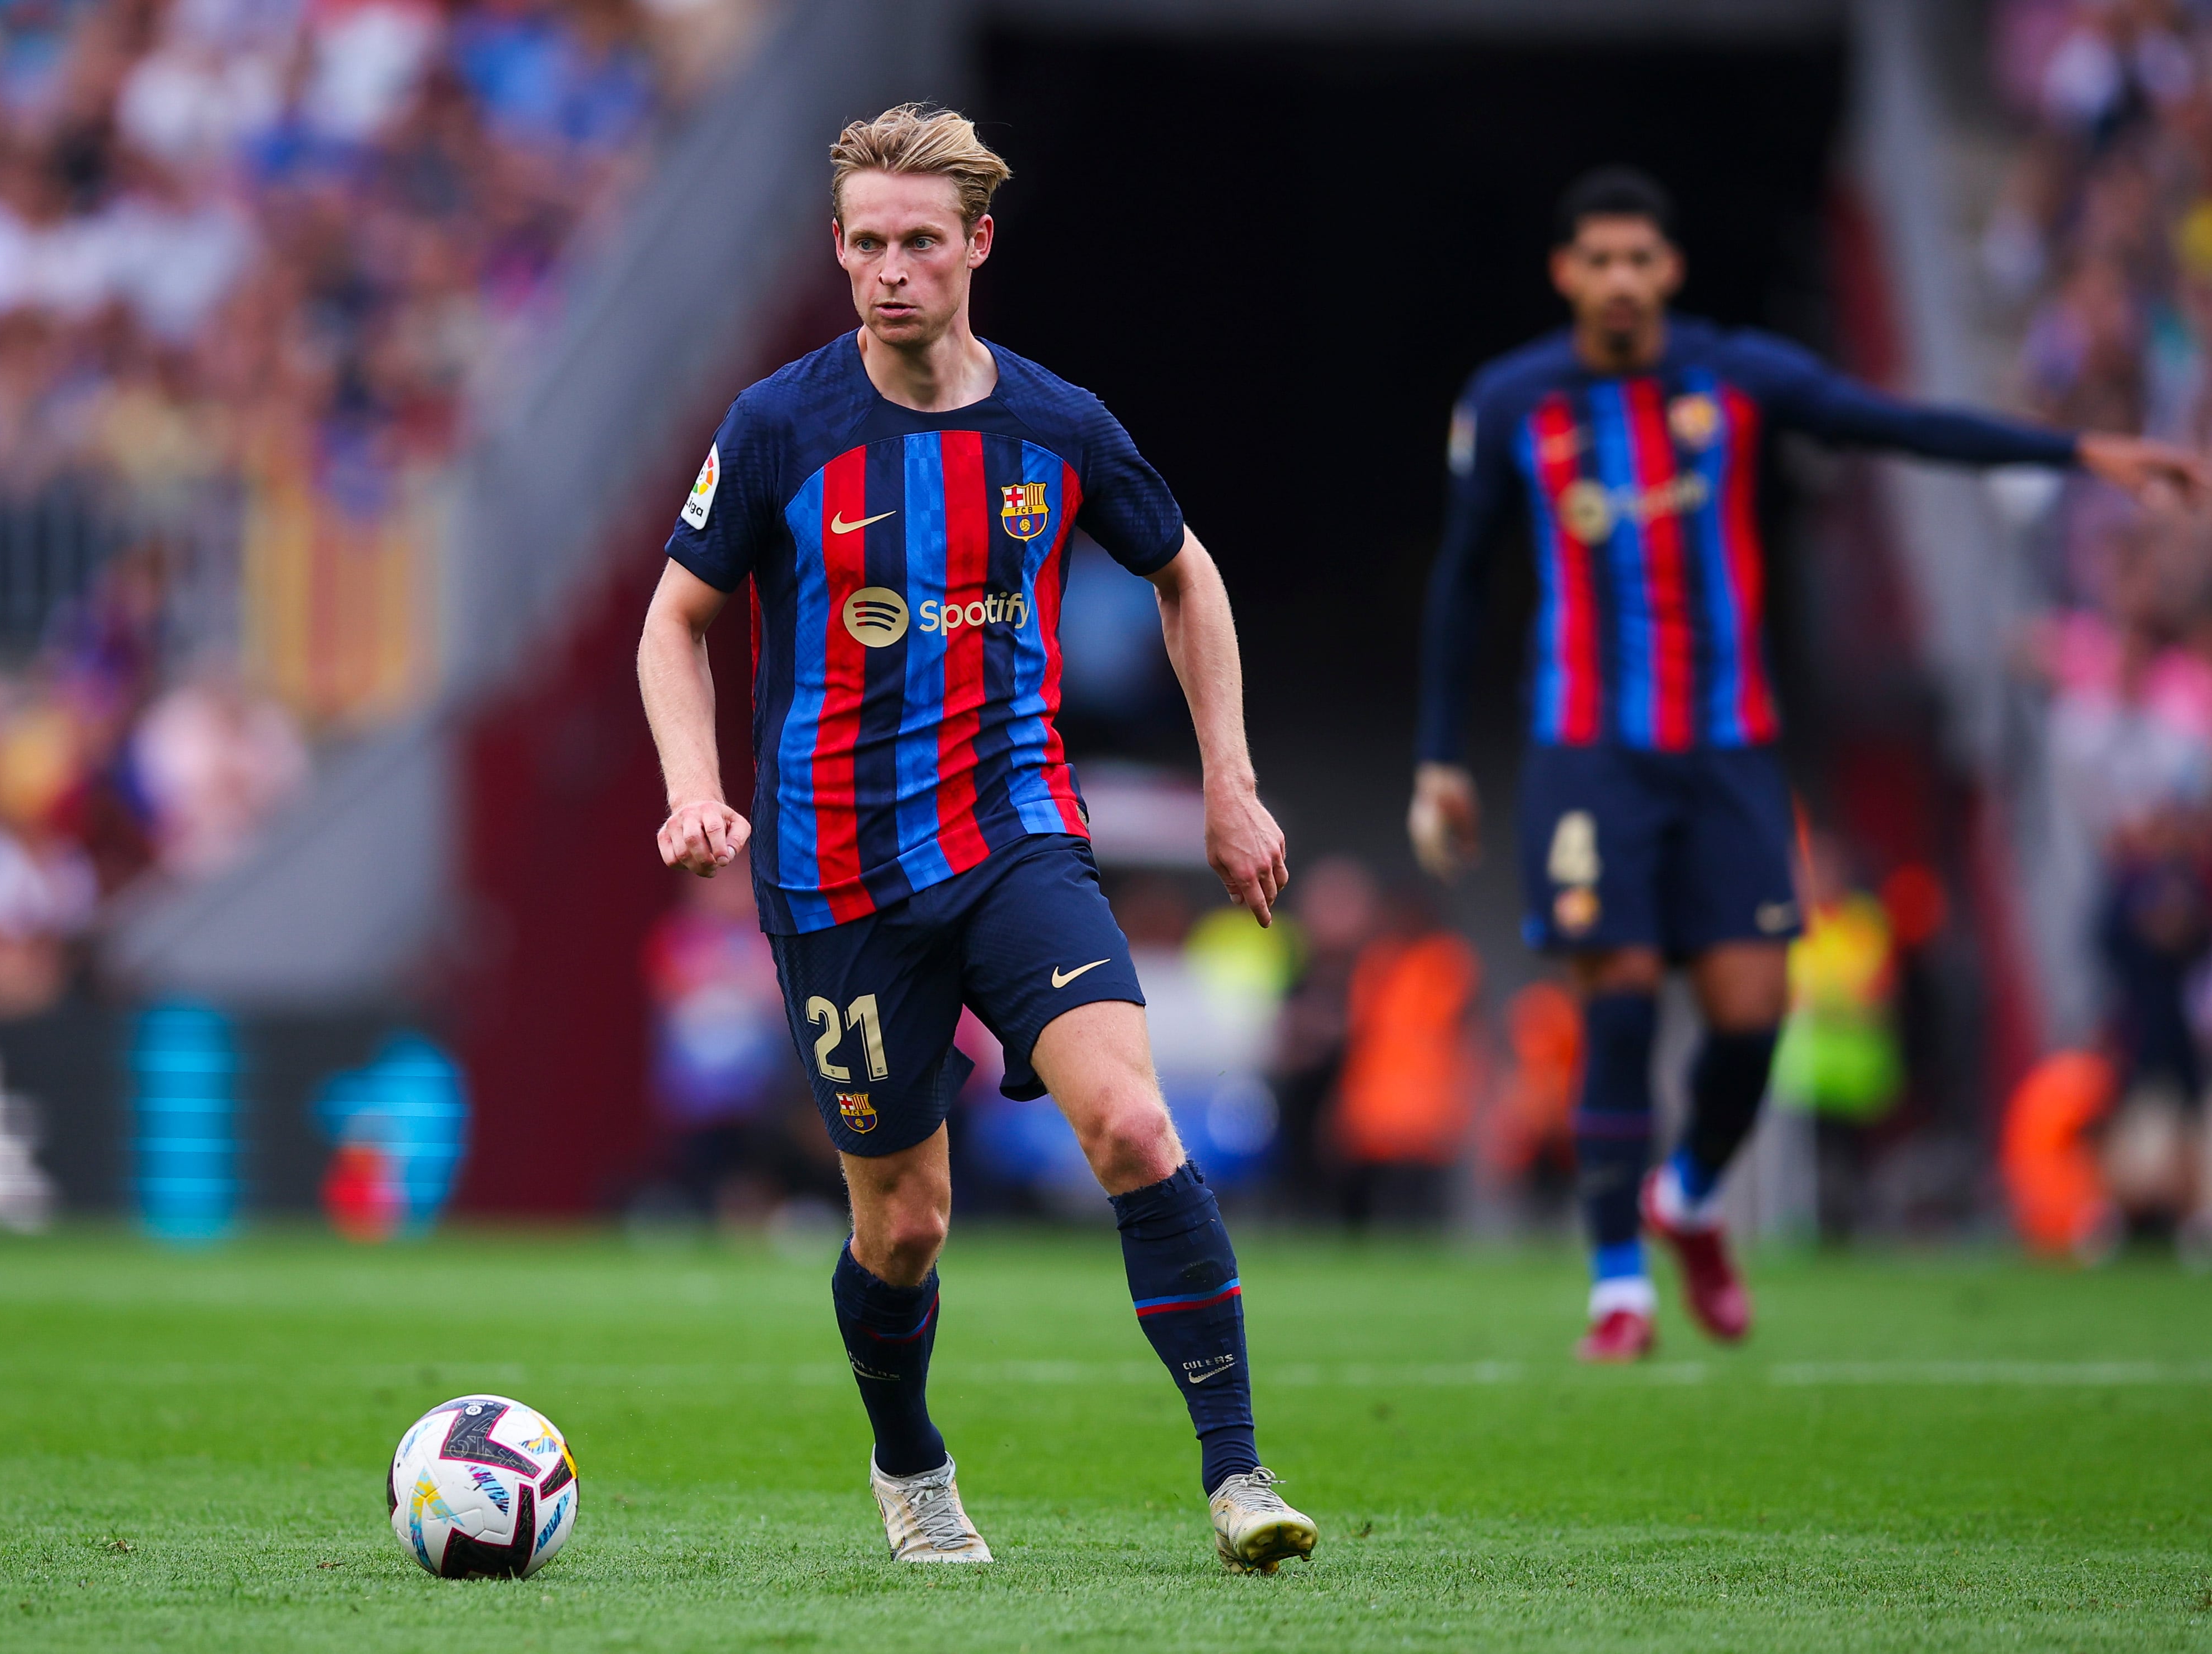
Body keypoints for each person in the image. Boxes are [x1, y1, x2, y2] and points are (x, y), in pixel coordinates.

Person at [634, 105, 1316, 1572]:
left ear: (974, 247)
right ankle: (909, 1463)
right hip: (831, 878)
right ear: (838, 248)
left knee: (1132, 1124)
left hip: (1013, 838)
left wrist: (1229, 782)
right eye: (867, 243)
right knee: (905, 1227)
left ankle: (1239, 1474)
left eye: (919, 244)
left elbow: (1183, 574)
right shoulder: (776, 426)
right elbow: (675, 618)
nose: (891, 270)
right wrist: (694, 784)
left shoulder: (1058, 426)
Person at [1409, 166, 2209, 1361]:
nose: (1621, 280)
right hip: (1586, 750)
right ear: (1564, 273)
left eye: (1641, 259)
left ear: (1666, 272)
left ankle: (1685, 1195)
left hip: (1727, 748)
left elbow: (1898, 425)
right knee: (1615, 991)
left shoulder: (1733, 377)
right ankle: (1616, 1286)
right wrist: (1437, 758)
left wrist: (2078, 450)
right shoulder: (1511, 400)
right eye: (1599, 260)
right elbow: (1461, 577)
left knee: (1752, 1012)